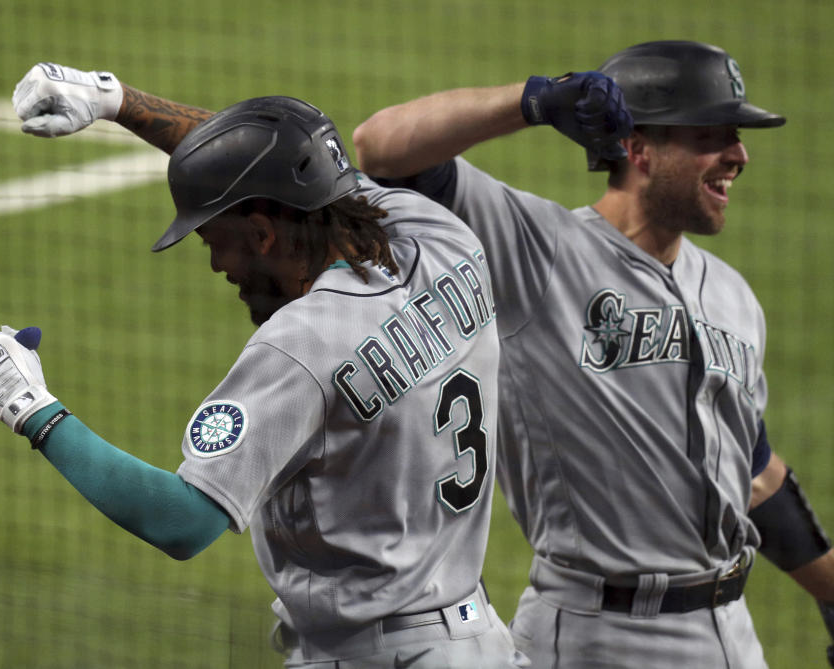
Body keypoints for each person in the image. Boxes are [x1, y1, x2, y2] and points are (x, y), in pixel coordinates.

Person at [0, 67, 530, 668]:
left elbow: (180, 521)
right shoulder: (440, 237)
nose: (215, 265)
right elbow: (294, 167)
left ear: (261, 232)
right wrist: (116, 102)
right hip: (479, 639)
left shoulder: (302, 346)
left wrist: (30, 406)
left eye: (212, 240)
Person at [352, 40, 834, 667]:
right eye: (713, 136)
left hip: (731, 636)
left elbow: (753, 470)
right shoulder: (541, 253)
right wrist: (533, 101)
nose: (739, 156)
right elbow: (381, 151)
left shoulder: (733, 296)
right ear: (638, 149)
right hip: (597, 636)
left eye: (737, 137)